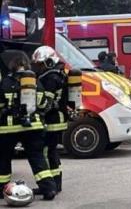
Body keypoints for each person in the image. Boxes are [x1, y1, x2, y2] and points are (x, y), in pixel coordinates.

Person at [0, 50, 57, 200]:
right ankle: (49, 189)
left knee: (4, 158)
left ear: (12, 65)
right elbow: (43, 104)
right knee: (37, 157)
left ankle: (1, 189)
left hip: (8, 128)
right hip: (33, 126)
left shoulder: (6, 82)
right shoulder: (35, 81)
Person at [32, 46, 75, 193]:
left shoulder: (50, 77)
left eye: (40, 64)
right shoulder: (60, 73)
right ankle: (56, 184)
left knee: (46, 152)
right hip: (59, 118)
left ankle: (49, 185)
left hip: (52, 120)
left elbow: (47, 103)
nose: (39, 67)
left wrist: (37, 113)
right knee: (52, 151)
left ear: (49, 61)